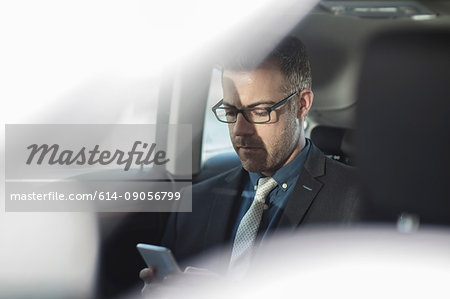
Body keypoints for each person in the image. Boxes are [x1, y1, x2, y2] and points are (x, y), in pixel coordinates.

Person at [140, 36, 363, 289]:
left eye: (259, 112)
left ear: (302, 105)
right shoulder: (195, 202)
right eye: (231, 112)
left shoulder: (358, 201)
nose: (239, 130)